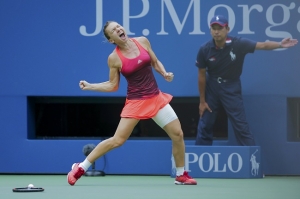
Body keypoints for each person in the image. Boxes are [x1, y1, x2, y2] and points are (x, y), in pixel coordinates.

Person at [67, 21, 197, 185]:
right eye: (113, 30)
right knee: (117, 140)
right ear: (111, 40)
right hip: (136, 102)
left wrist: (164, 73)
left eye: (118, 26)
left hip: (156, 98)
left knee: (177, 134)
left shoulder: (142, 41)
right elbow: (113, 85)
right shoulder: (114, 58)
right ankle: (81, 167)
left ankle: (181, 175)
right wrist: (91, 86)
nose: (118, 29)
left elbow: (155, 62)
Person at [195, 15, 298, 146]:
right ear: (210, 30)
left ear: (227, 29)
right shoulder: (204, 49)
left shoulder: (239, 44)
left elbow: (263, 45)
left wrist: (280, 44)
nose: (216, 31)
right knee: (205, 125)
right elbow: (202, 75)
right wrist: (202, 101)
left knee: (241, 127)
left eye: (220, 28)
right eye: (213, 28)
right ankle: (200, 159)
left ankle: (251, 161)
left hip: (231, 87)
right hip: (212, 87)